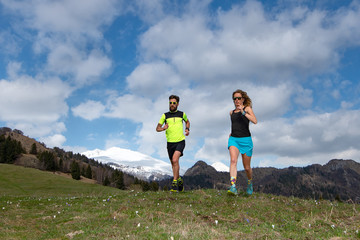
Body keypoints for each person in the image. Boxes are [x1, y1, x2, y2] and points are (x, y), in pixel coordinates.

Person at [156, 95, 190, 192]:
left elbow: (187, 122)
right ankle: (179, 180)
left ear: (177, 104)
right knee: (173, 164)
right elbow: (157, 128)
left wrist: (187, 129)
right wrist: (163, 128)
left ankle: (174, 183)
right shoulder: (165, 116)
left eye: (174, 103)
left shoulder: (182, 114)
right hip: (170, 143)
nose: (172, 104)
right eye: (170, 103)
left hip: (180, 141)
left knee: (175, 160)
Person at [228, 89, 257, 196]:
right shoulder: (231, 112)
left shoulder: (247, 108)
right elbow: (235, 125)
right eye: (234, 98)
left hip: (246, 140)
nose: (236, 100)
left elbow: (255, 121)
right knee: (233, 161)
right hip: (234, 139)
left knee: (246, 167)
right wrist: (231, 133)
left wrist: (243, 112)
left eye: (239, 98)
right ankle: (233, 187)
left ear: (243, 99)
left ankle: (249, 182)